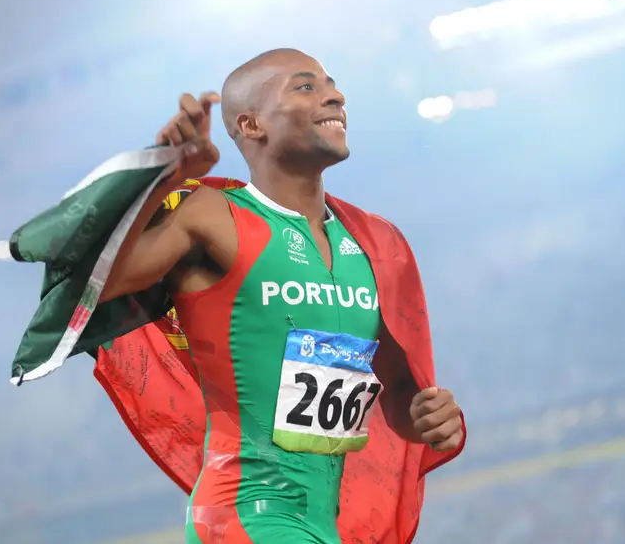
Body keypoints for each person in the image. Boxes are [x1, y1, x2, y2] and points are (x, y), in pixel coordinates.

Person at [98, 48, 465, 544]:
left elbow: (400, 395)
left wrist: (430, 417)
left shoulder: (371, 244)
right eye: (306, 87)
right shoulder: (214, 216)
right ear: (251, 125)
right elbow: (101, 287)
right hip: (246, 514)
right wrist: (164, 177)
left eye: (332, 85)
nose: (336, 96)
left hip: (320, 524)